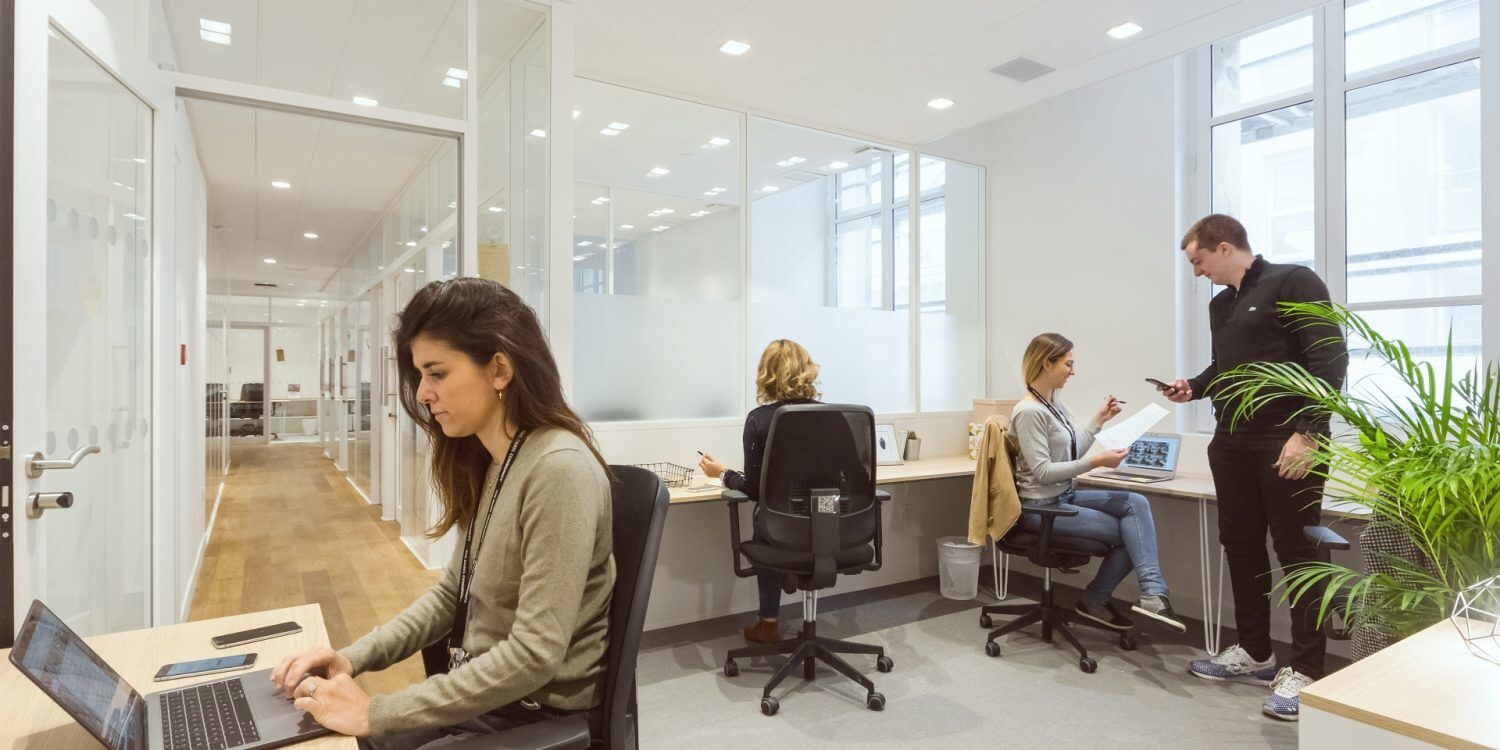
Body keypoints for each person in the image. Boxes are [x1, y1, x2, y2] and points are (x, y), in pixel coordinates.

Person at [269, 278, 615, 749]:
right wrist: (351, 659)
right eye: (420, 377)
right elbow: (454, 594)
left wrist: (378, 711)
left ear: (499, 370)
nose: (424, 394)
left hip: (531, 716)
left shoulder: (558, 470)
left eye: (437, 373)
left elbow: (535, 654)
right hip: (483, 697)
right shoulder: (496, 460)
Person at [1162, 214, 1347, 722]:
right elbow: (1228, 368)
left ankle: (1306, 667)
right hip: (1233, 440)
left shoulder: (1294, 281)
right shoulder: (1222, 303)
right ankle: (1255, 652)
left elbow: (1328, 358)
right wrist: (1194, 387)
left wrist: (1307, 432)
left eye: (1199, 261)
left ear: (1224, 247)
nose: (1197, 273)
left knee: (1298, 549)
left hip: (1288, 439)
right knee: (1240, 545)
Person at [1010, 333, 1186, 633]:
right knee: (1134, 535)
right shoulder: (1029, 411)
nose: (1073, 371)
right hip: (1040, 507)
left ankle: (1151, 592)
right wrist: (1097, 461)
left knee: (1136, 503)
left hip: (1063, 495)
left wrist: (1099, 420)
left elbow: (1072, 452)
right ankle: (1100, 598)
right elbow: (1042, 472)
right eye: (1068, 364)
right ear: (1046, 363)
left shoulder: (1053, 403)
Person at [698, 339, 820, 644]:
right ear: (807, 371)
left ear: (766, 374)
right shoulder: (835, 416)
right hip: (828, 525)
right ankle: (790, 573)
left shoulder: (760, 420)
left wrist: (723, 473)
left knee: (766, 513)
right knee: (781, 516)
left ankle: (768, 622)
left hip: (780, 528)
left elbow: (753, 489)